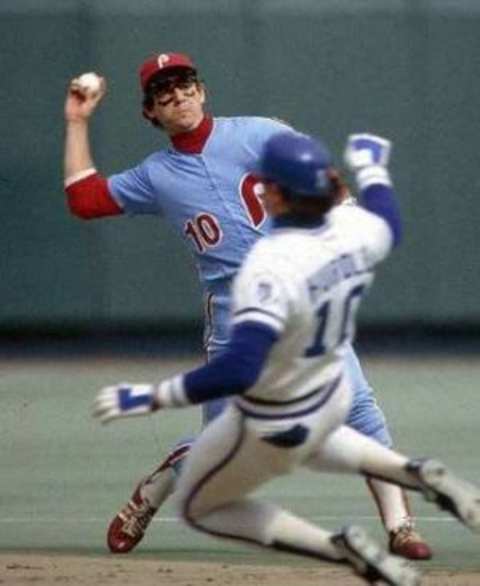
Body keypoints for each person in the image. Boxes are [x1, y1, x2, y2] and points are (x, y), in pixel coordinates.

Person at [64, 52, 431, 559]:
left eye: (186, 85)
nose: (179, 97)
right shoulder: (156, 175)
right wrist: (78, 122)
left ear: (203, 90)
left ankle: (401, 526)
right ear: (151, 114)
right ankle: (151, 494)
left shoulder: (256, 132)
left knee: (360, 410)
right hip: (234, 312)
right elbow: (84, 200)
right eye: (164, 94)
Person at [93, 131, 480, 586]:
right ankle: (408, 473)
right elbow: (389, 224)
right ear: (330, 186)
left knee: (204, 503)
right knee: (355, 420)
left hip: (277, 404)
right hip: (329, 385)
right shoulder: (353, 233)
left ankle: (336, 544)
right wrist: (372, 167)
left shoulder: (267, 266)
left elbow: (238, 368)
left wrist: (150, 396)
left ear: (272, 194)